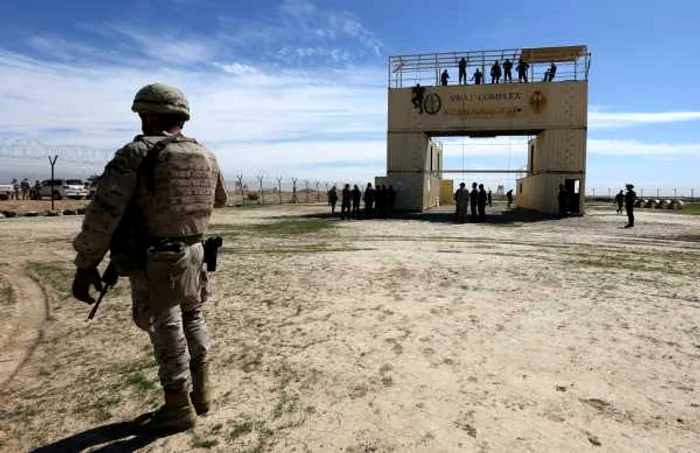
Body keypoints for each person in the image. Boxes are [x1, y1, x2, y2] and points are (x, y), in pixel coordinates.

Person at [71, 83, 228, 433]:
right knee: (193, 317)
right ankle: (201, 394)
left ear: (152, 115)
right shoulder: (206, 155)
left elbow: (104, 213)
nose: (141, 121)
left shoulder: (137, 153)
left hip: (157, 256)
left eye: (143, 115)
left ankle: (177, 407)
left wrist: (85, 264)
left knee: (165, 324)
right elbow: (219, 199)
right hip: (195, 252)